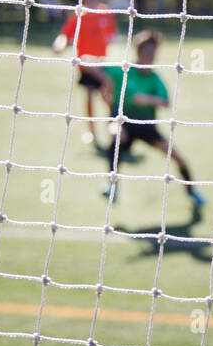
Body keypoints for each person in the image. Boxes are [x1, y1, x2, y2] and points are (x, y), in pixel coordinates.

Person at [83, 30, 205, 212]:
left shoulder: (155, 79)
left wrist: (145, 99)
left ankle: (192, 192)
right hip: (123, 122)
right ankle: (112, 186)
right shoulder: (124, 70)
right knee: (115, 133)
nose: (149, 57)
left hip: (147, 127)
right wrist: (106, 80)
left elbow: (165, 101)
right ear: (137, 52)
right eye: (146, 53)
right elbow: (85, 60)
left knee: (179, 158)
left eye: (152, 53)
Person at [53, 0, 116, 145]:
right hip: (85, 63)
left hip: (101, 62)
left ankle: (115, 123)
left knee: (107, 94)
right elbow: (65, 34)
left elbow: (112, 33)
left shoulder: (105, 12)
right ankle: (91, 131)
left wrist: (108, 38)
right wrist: (59, 44)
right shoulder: (79, 14)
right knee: (89, 95)